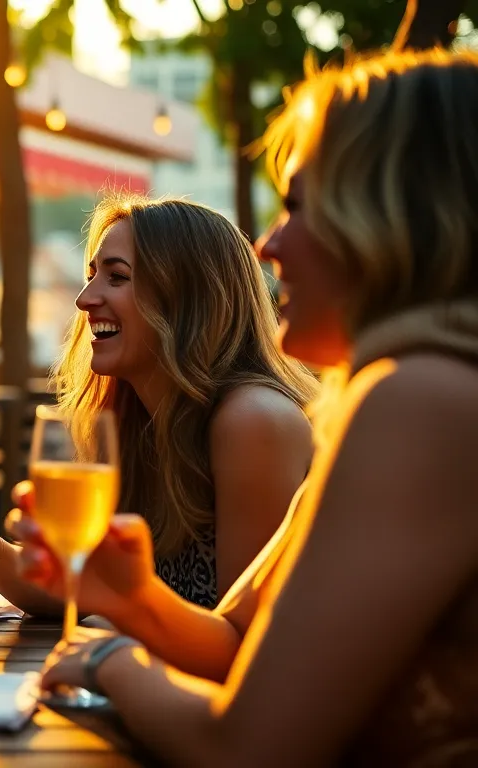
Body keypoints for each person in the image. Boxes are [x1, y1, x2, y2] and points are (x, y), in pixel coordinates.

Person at [35, 48, 478, 766]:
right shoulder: (390, 394)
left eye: (299, 205)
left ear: (394, 213)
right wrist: (136, 597)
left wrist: (111, 658)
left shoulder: (423, 401)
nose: (269, 245)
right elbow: (242, 644)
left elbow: (247, 749)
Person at [0, 196, 318, 610]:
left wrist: (109, 647)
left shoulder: (253, 420)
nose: (84, 299)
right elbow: (80, 590)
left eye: (117, 277)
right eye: (92, 275)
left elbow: (241, 640)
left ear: (187, 295)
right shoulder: (136, 422)